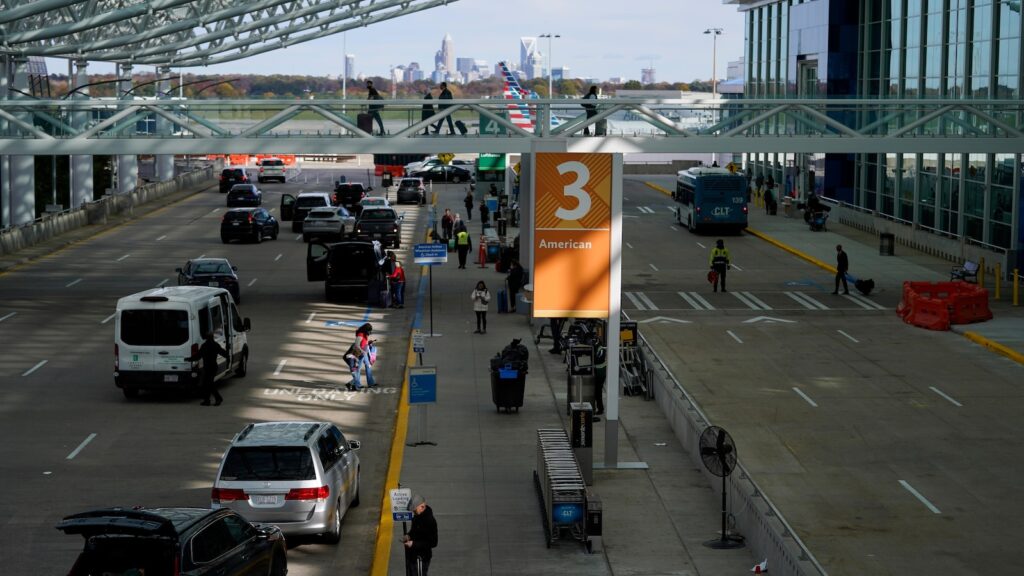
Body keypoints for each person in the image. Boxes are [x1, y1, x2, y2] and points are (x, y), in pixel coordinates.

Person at [403, 494, 437, 576]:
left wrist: (413, 544)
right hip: (413, 556)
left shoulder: (429, 521)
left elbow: (433, 543)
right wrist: (409, 535)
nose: (414, 513)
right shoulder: (417, 516)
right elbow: (414, 531)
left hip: (421, 558)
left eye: (414, 510)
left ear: (422, 506)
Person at [190, 332, 228, 406]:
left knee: (208, 383)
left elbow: (198, 356)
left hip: (207, 367)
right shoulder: (215, 345)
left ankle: (217, 398)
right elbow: (223, 353)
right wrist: (227, 356)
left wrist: (189, 359)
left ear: (206, 338)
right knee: (208, 383)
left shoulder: (204, 346)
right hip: (213, 367)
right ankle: (207, 400)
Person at [353, 324, 376, 389]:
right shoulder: (360, 335)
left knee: (368, 366)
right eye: (369, 331)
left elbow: (364, 343)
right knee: (358, 369)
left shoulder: (365, 334)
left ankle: (371, 383)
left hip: (364, 353)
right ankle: (357, 385)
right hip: (359, 354)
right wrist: (362, 351)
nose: (370, 332)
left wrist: (369, 342)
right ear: (366, 330)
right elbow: (356, 345)